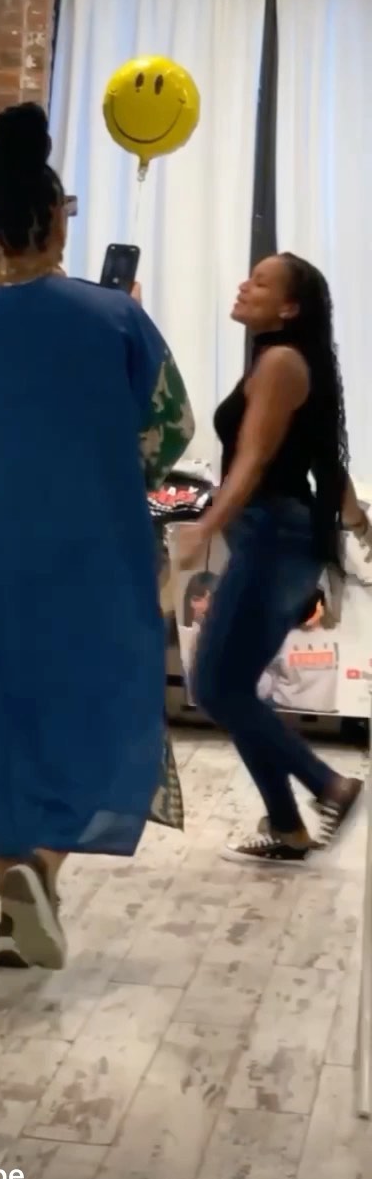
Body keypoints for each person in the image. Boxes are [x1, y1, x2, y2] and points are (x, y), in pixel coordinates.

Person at [0, 102, 194, 970]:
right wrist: (105, 458)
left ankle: (16, 889)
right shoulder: (118, 319)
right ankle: (41, 879)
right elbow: (169, 427)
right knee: (89, 709)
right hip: (100, 554)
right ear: (60, 220)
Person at [177, 253, 367, 865]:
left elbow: (254, 461)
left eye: (260, 282)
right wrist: (359, 521)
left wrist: (207, 524)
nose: (244, 285)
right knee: (230, 687)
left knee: (215, 687)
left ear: (288, 307)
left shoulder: (282, 362)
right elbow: (322, 458)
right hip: (276, 537)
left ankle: (328, 785)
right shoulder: (283, 359)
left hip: (272, 537)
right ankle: (287, 828)